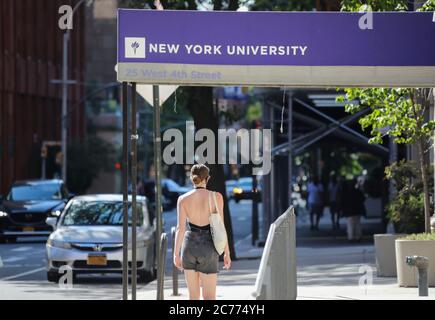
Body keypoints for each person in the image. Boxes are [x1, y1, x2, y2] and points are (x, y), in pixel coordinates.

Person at [173, 164, 231, 300]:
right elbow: (221, 227)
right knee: (209, 297)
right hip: (208, 246)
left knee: (193, 297)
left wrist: (176, 254)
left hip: (188, 246)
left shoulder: (183, 199)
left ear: (191, 177)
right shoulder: (216, 197)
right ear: (208, 178)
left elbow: (180, 229)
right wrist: (226, 253)